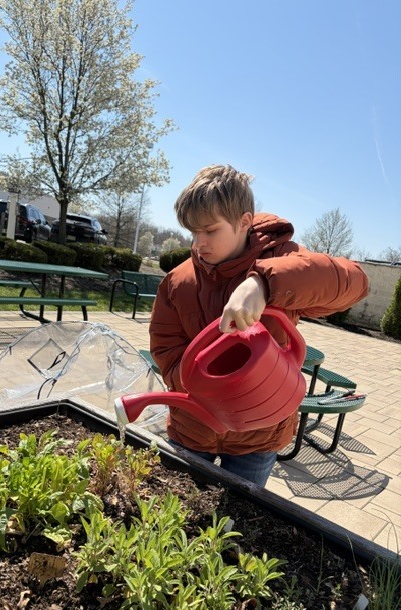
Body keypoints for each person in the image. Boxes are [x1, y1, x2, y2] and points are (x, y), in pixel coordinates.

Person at [149, 164, 369, 487]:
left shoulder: (282, 257)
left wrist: (265, 283)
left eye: (210, 231)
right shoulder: (178, 280)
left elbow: (355, 282)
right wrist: (200, 389)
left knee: (237, 523)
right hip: (192, 429)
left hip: (257, 437)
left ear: (244, 223)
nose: (198, 244)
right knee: (177, 519)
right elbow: (166, 348)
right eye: (193, 232)